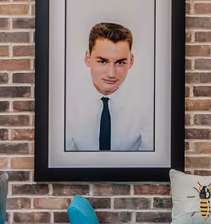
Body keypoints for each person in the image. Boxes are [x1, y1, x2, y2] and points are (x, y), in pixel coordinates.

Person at [65, 22, 153, 152]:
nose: (111, 74)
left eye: (120, 62)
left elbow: (151, 158)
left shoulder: (148, 104)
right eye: (102, 61)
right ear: (87, 59)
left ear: (131, 61)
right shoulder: (66, 101)